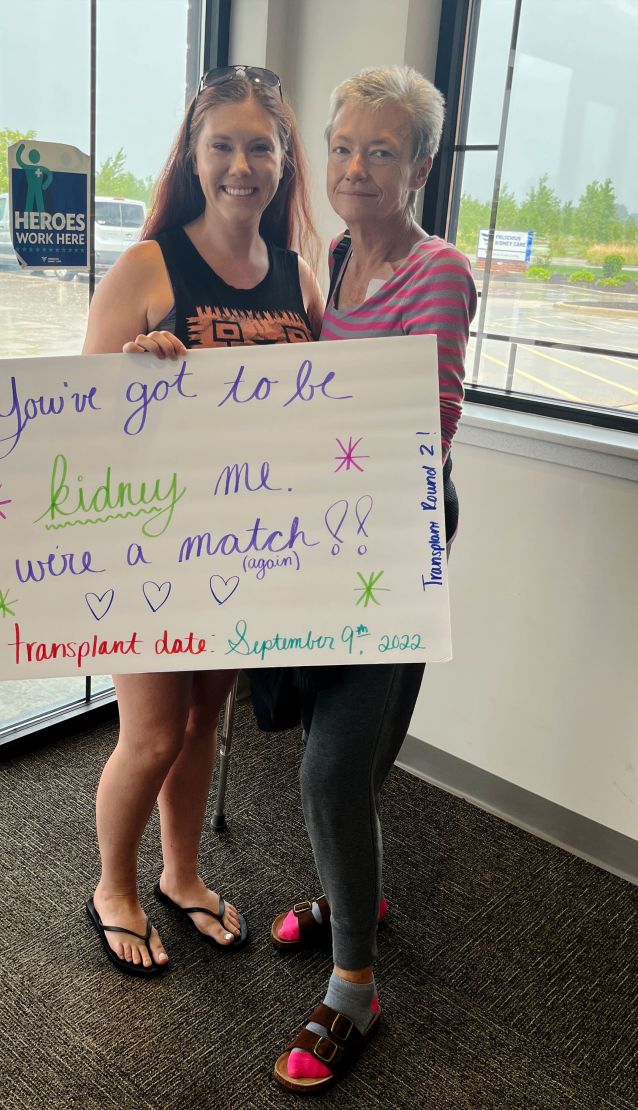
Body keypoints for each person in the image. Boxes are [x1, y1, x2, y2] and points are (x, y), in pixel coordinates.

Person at [80, 65, 323, 977]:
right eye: (222, 144)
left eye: (260, 145)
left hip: (240, 551)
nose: (241, 164)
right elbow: (75, 429)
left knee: (202, 726)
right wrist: (136, 377)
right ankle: (114, 887)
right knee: (147, 734)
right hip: (146, 547)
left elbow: (318, 414)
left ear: (282, 159)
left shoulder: (299, 275)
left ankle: (181, 875)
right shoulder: (148, 266)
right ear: (194, 154)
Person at [264, 65, 477, 1092]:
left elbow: (423, 427)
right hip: (323, 532)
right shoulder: (333, 258)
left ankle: (356, 984)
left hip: (393, 535)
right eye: (343, 147)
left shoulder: (440, 272)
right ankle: (360, 898)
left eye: (380, 151)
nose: (354, 168)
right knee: (339, 747)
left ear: (421, 166)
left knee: (332, 766)